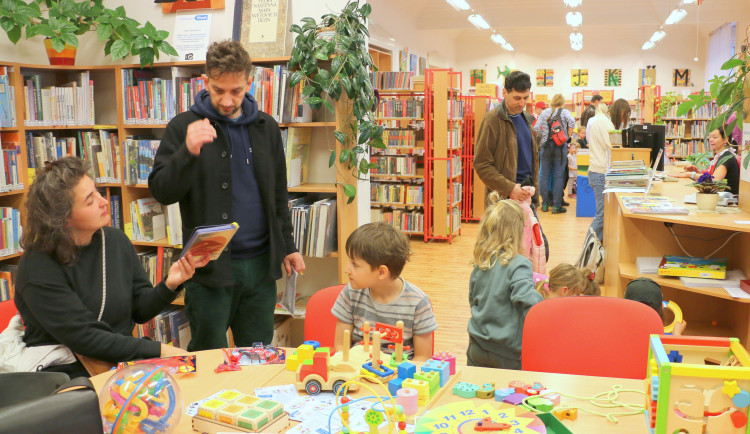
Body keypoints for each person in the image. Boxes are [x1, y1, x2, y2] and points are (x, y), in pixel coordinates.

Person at [148, 40, 306, 351]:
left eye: (236, 90)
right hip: (209, 271)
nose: (227, 100)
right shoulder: (184, 127)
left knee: (258, 355)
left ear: (250, 82)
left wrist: (288, 245)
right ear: (205, 82)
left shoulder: (267, 127)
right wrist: (187, 153)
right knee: (209, 357)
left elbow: (278, 195)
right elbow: (162, 192)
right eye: (219, 90)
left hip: (260, 269)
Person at [10, 157, 208, 378]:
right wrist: (160, 351)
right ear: (63, 219)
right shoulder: (38, 265)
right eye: (89, 200)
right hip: (63, 374)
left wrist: (170, 284)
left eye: (97, 192)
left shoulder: (115, 241)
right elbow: (86, 338)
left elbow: (139, 311)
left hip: (118, 362)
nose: (104, 201)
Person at [332, 223, 437, 362]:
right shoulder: (350, 293)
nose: (346, 269)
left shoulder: (418, 302)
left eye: (355, 264)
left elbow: (422, 357)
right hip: (357, 371)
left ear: (381, 272)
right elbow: (340, 345)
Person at [467, 192, 543, 370]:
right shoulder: (519, 264)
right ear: (517, 232)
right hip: (507, 351)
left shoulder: (481, 263)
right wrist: (545, 305)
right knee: (508, 395)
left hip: (477, 344)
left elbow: (473, 301)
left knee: (476, 391)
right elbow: (526, 300)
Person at [474, 70, 539, 204]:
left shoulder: (526, 119)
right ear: (505, 93)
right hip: (503, 200)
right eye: (517, 98)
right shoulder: (492, 120)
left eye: (525, 98)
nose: (522, 103)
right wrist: (509, 188)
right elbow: (482, 164)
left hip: (527, 196)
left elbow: (532, 161)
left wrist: (535, 197)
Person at [534, 93, 576, 213]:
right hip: (560, 147)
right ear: (562, 103)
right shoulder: (564, 112)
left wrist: (543, 137)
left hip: (546, 147)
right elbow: (572, 122)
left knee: (544, 175)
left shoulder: (545, 112)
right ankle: (557, 206)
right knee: (558, 176)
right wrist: (567, 136)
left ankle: (545, 204)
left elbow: (536, 128)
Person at [670, 126, 740, 195]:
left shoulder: (727, 158)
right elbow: (712, 175)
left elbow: (713, 181)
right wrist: (698, 172)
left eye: (714, 137)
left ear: (726, 139)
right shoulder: (721, 155)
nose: (710, 140)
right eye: (710, 137)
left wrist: (691, 174)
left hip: (726, 200)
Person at [585, 102, 614, 242]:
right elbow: (612, 145)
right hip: (600, 172)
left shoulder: (597, 121)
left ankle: (595, 250)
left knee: (603, 213)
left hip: (596, 170)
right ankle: (588, 250)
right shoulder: (605, 123)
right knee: (602, 214)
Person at [534, 264, 600, 299]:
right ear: (564, 291)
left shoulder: (542, 294)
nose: (577, 297)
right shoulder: (551, 310)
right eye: (577, 294)